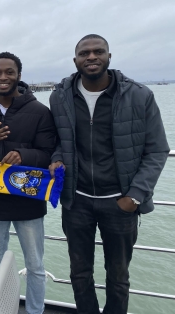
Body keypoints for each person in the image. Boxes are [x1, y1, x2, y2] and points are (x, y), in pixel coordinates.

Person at [49, 34, 170, 314]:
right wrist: (56, 159)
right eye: (84, 53)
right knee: (79, 274)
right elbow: (58, 140)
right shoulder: (60, 96)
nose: (91, 57)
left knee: (118, 278)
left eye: (98, 51)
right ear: (75, 60)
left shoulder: (139, 96)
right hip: (76, 201)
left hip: (120, 202)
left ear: (109, 56)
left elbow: (157, 150)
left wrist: (135, 196)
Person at [0, 51, 57, 314]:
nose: (3, 77)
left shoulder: (40, 111)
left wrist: (23, 155)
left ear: (19, 75)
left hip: (28, 199)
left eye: (9, 72)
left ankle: (34, 311)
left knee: (35, 265)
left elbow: (49, 153)